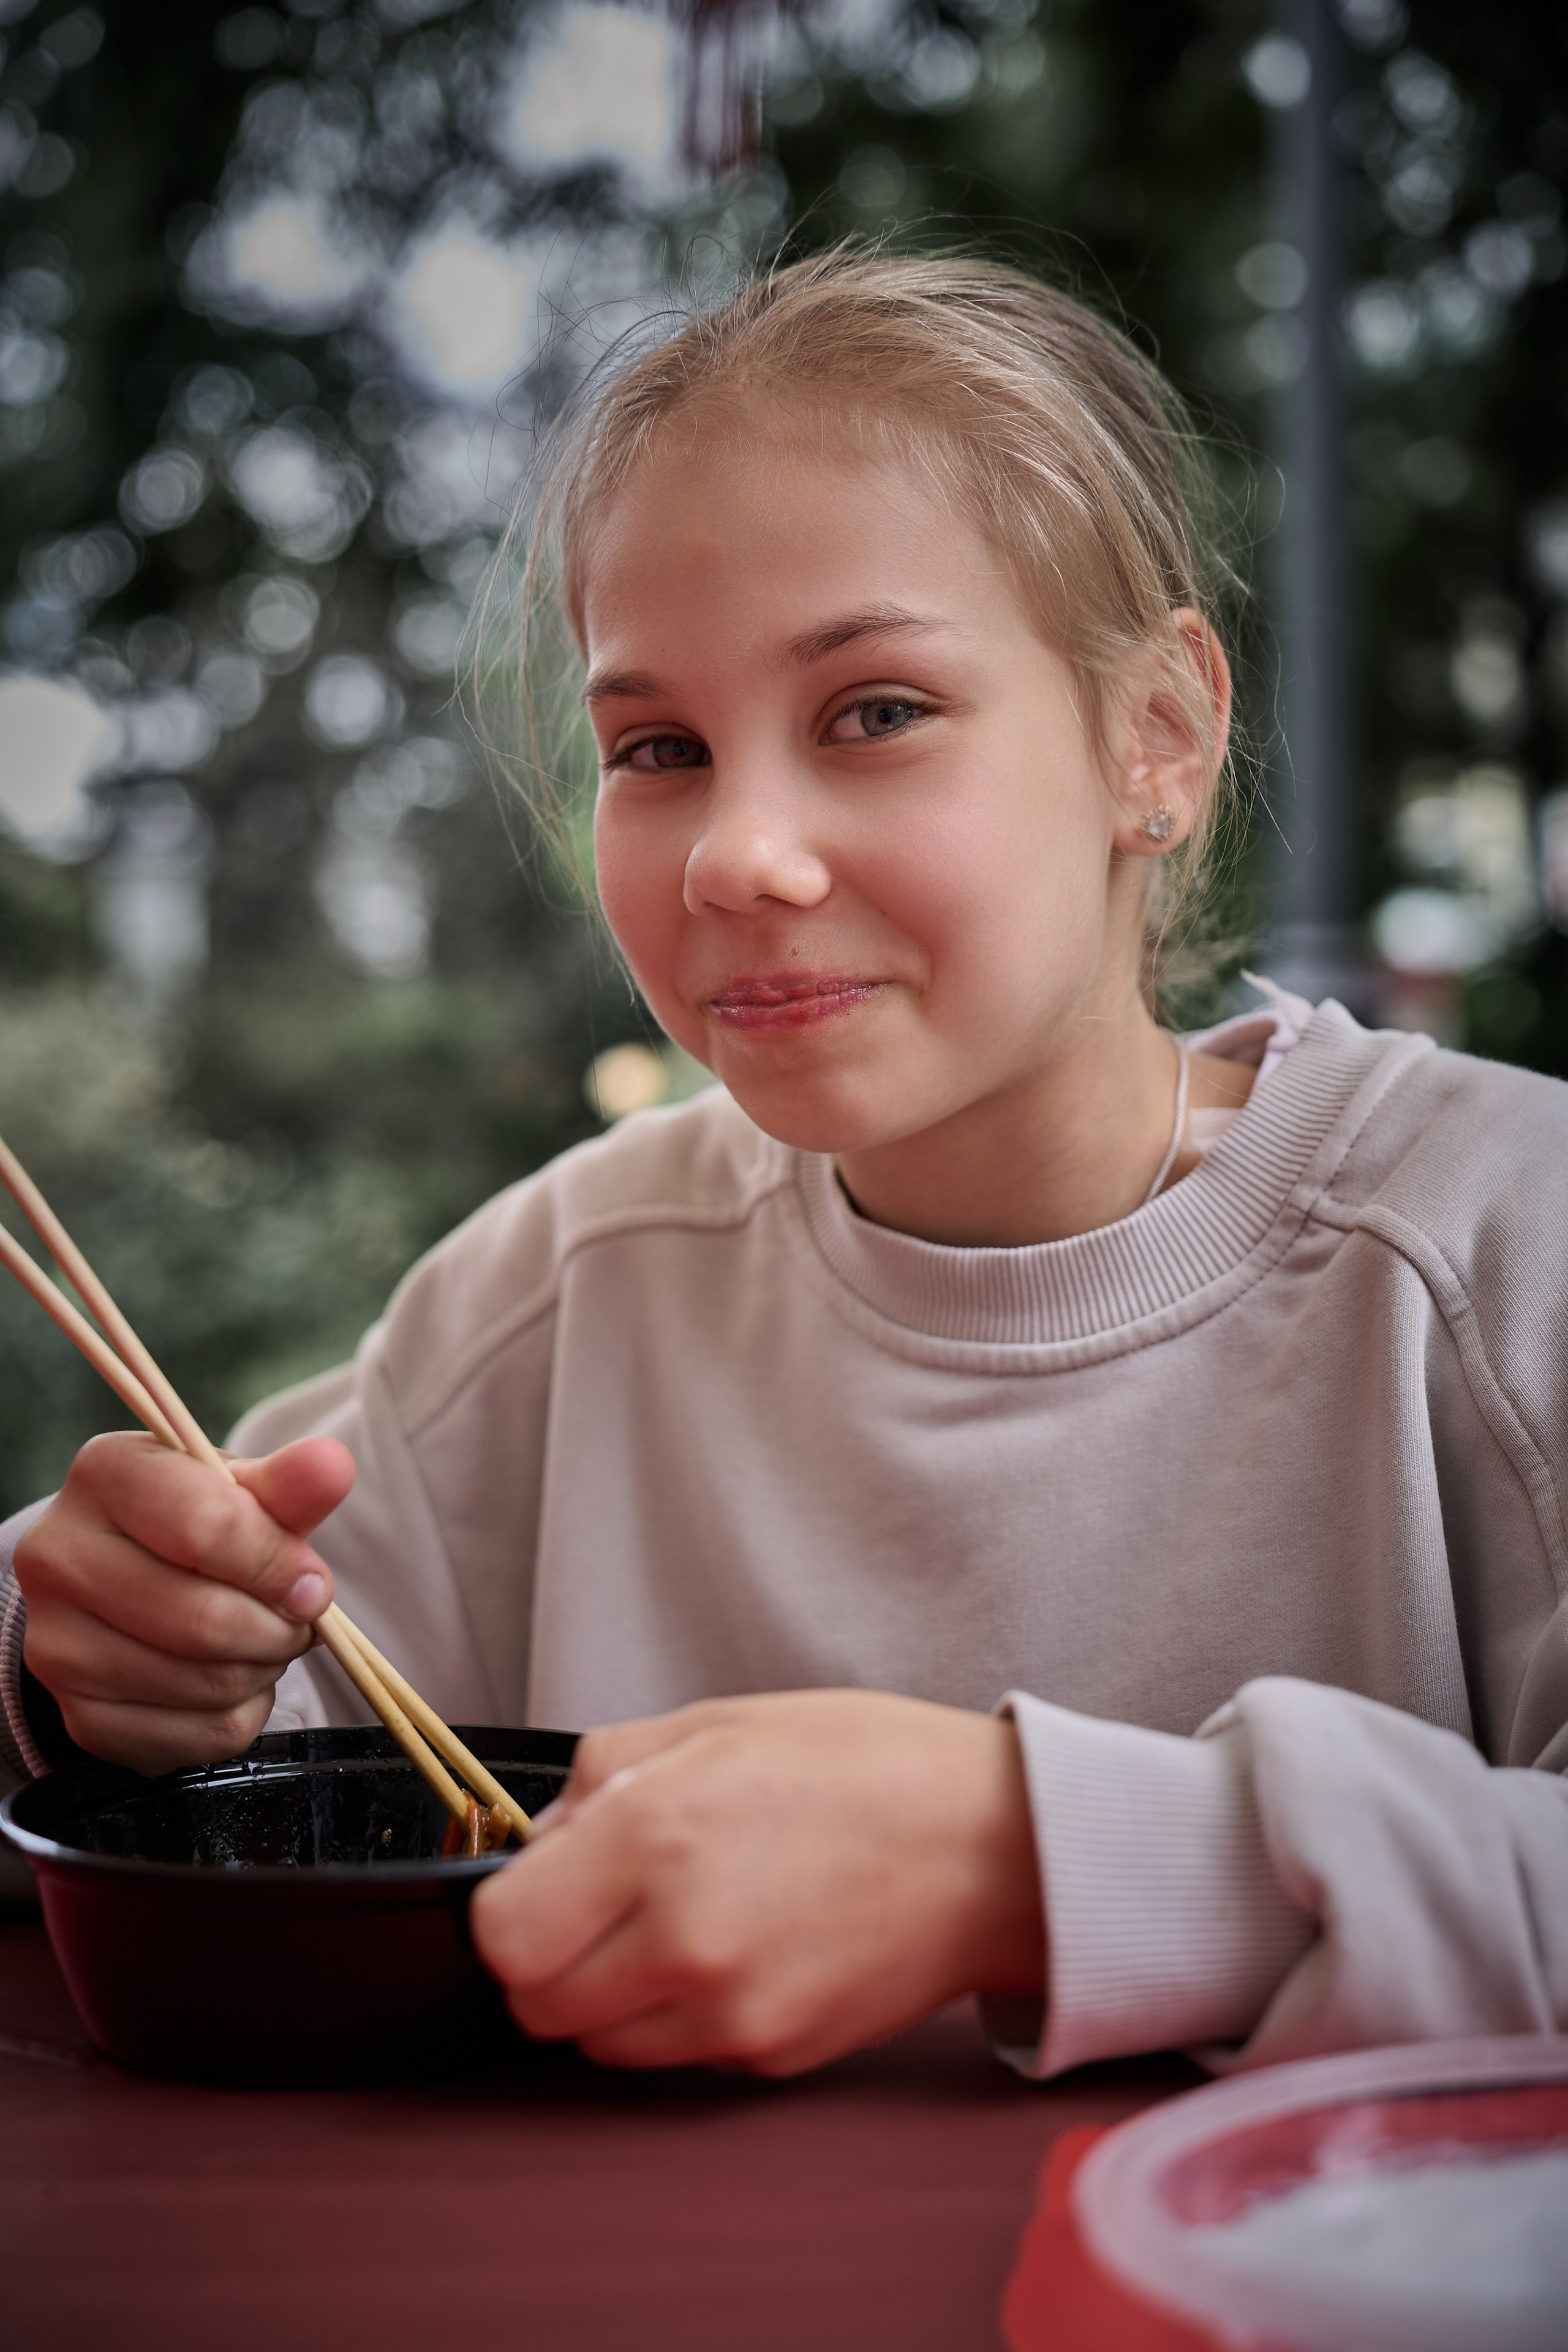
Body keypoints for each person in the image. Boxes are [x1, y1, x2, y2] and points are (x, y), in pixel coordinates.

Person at [2, 251, 1565, 2080]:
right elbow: (216, 1730)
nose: (735, 857)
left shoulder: (1498, 1241)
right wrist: (77, 1674)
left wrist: (1029, 1863)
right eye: (658, 746)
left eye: (876, 711)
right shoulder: (568, 1290)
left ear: (1157, 735)